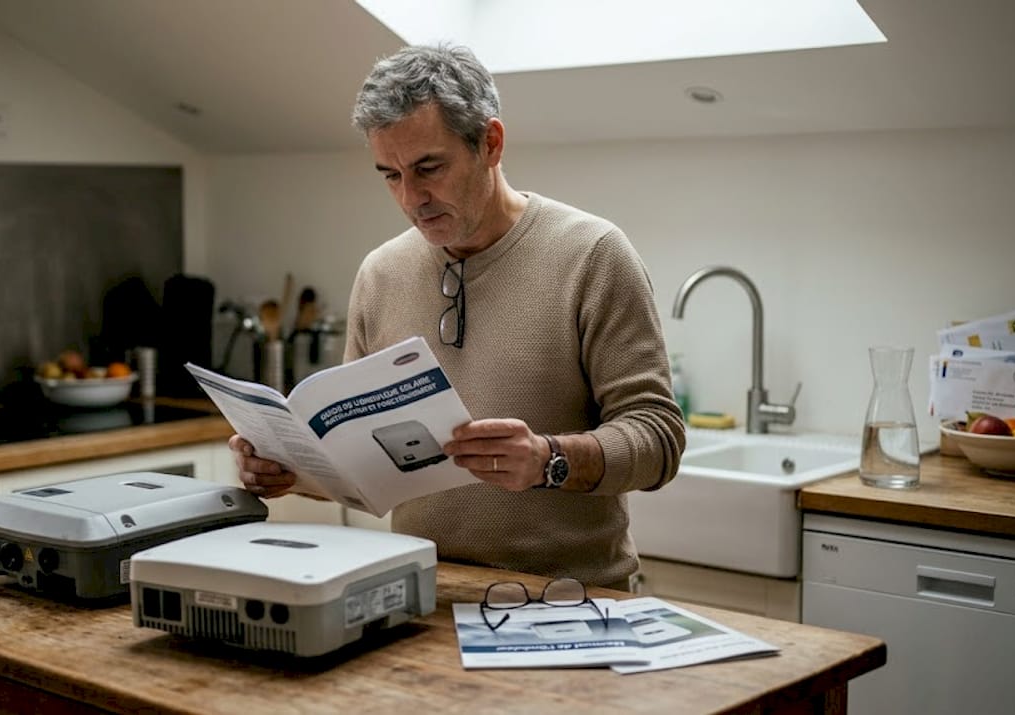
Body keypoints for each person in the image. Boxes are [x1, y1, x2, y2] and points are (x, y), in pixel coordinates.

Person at [229, 44, 684, 588]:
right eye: (390, 175)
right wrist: (288, 470)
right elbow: (359, 465)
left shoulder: (594, 254)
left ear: (490, 143)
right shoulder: (381, 273)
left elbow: (658, 440)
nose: (411, 198)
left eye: (429, 168)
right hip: (419, 597)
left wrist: (549, 459)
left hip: (570, 602)